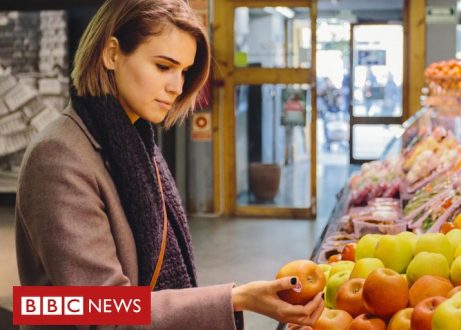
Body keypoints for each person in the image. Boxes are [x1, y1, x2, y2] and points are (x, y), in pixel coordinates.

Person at [14, 1, 324, 329]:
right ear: (111, 53)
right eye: (164, 66)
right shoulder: (59, 156)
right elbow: (99, 313)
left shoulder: (135, 143)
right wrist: (236, 298)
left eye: (184, 71)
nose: (177, 87)